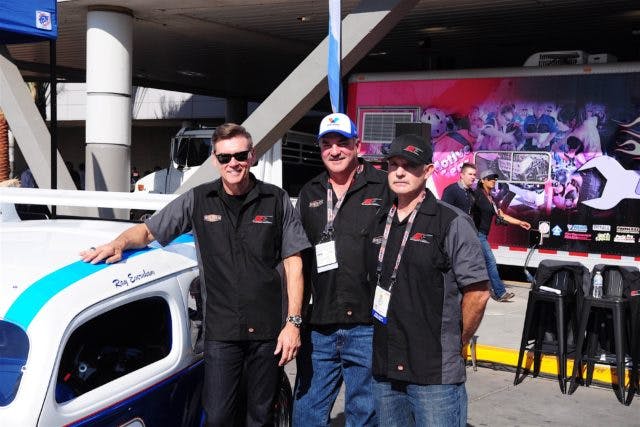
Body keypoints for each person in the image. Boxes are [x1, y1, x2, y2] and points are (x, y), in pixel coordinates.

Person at [80, 123, 311, 426]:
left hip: (268, 332)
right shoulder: (198, 199)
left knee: (261, 416)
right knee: (217, 417)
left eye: (240, 155)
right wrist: (119, 243)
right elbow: (149, 231)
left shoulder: (276, 199)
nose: (233, 163)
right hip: (221, 332)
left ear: (252, 156)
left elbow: (294, 263)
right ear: (215, 160)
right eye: (225, 157)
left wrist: (293, 323)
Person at [366, 134, 490, 426]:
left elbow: (478, 293)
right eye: (394, 165)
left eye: (409, 165)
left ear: (428, 171)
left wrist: (458, 341)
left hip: (434, 372)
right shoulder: (379, 219)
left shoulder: (452, 221)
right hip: (386, 367)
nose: (400, 172)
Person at [293, 113, 390, 426]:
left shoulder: (384, 185)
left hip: (367, 324)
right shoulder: (310, 192)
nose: (334, 151)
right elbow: (297, 258)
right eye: (327, 144)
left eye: (342, 143)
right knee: (306, 412)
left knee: (364, 414)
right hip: (319, 325)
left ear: (357, 145)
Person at [471, 169, 531, 302]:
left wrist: (520, 222)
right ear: (483, 180)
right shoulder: (477, 194)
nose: (493, 180)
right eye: (490, 178)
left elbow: (501, 215)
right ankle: (500, 293)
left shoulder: (490, 198)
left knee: (479, 263)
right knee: (491, 262)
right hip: (476, 234)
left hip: (483, 235)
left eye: (495, 178)